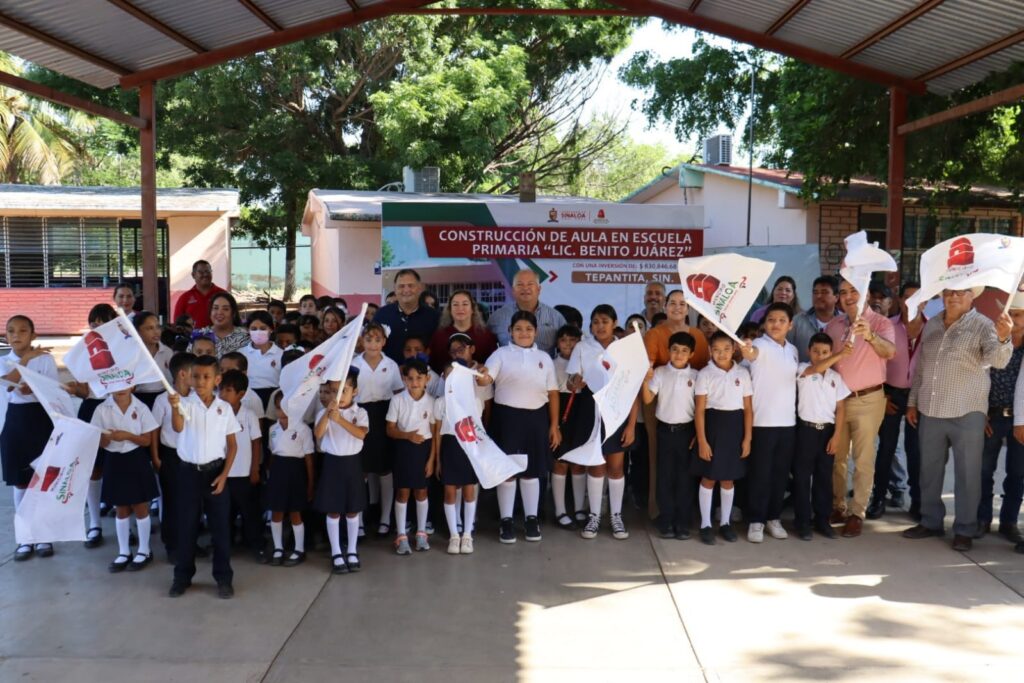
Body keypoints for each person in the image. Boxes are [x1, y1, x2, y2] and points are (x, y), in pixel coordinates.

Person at [904, 288, 1012, 552]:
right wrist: (912, 401)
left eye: (961, 293)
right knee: (929, 471)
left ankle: (964, 528)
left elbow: (998, 361)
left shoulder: (985, 325)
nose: (953, 297)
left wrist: (1003, 338)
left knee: (968, 474)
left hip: (967, 411)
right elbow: (922, 367)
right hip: (931, 409)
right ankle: (931, 521)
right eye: (949, 292)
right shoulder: (932, 325)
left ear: (971, 297)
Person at [480, 310, 560, 544]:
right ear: (509, 332)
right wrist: (481, 376)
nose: (523, 333)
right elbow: (487, 378)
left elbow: (553, 393)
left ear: (536, 332)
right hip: (507, 418)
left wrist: (554, 425)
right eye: (518, 329)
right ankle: (506, 520)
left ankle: (531, 519)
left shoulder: (544, 358)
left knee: (532, 472)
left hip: (537, 418)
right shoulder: (500, 354)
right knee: (508, 471)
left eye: (528, 329)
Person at [824, 278, 896, 538]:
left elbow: (889, 352)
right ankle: (838, 506)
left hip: (868, 399)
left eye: (853, 290)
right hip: (839, 400)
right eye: (842, 292)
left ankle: (857, 513)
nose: (848, 296)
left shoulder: (880, 322)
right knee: (837, 457)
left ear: (864, 293)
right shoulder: (834, 325)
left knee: (864, 459)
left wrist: (870, 335)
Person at [167, 355, 240, 599]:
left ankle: (223, 578)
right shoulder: (185, 404)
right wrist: (174, 406)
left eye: (206, 377)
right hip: (189, 473)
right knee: (186, 527)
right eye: (196, 376)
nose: (200, 381)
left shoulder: (224, 408)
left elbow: (232, 446)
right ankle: (182, 577)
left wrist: (224, 476)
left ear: (217, 379)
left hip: (215, 473)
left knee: (220, 529)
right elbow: (178, 427)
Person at [568, 305, 637, 541]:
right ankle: (594, 516)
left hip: (617, 410)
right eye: (595, 321)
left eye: (605, 321)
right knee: (595, 465)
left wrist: (631, 425)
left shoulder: (625, 350)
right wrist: (575, 382)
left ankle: (616, 516)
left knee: (616, 466)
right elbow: (571, 382)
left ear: (615, 323)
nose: (600, 326)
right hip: (589, 409)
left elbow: (633, 389)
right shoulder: (582, 346)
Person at [739, 302, 798, 543]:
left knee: (780, 475)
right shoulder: (758, 346)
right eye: (771, 320)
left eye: (781, 320)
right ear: (765, 323)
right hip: (761, 422)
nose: (776, 324)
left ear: (790, 325)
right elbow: (750, 356)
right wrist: (747, 351)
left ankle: (774, 518)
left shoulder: (793, 350)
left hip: (788, 423)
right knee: (760, 474)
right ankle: (756, 520)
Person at [1, 315, 58, 561]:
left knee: (42, 480)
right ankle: (25, 537)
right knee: (20, 481)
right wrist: (26, 360)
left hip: (40, 420)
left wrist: (32, 387)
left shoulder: (46, 359)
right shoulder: (4, 362)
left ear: (33, 335)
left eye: (23, 331)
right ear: (6, 336)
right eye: (11, 331)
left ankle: (44, 535)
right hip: (13, 423)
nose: (17, 335)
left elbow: (51, 389)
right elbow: (6, 384)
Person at [868, 282, 925, 520]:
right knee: (886, 450)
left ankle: (918, 502)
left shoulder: (933, 329)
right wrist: (884, 394)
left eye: (917, 298)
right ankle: (878, 498)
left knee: (916, 451)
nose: (911, 302)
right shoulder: (887, 327)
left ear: (925, 302)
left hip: (919, 398)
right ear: (900, 300)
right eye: (907, 297)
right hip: (891, 394)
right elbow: (877, 361)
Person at [434, 333, 492, 554]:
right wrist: (438, 460)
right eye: (450, 376)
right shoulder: (440, 403)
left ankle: (467, 535)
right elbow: (438, 433)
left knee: (469, 492)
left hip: (469, 449)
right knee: (450, 493)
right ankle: (454, 535)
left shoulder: (475, 402)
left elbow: (479, 433)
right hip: (449, 448)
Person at [90, 387, 159, 572]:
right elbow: (100, 442)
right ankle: (124, 552)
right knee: (120, 507)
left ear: (132, 386)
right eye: (115, 385)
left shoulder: (141, 407)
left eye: (125, 385)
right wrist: (106, 437)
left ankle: (144, 550)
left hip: (136, 458)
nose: (120, 389)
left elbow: (146, 440)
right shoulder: (101, 409)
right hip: (114, 460)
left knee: (140, 505)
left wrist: (126, 435)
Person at [693, 331, 753, 545]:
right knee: (709, 477)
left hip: (735, 428)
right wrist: (702, 440)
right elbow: (699, 410)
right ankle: (706, 524)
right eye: (716, 350)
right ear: (710, 351)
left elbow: (747, 409)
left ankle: (726, 523)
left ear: (734, 349)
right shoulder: (705, 374)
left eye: (726, 349)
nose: (722, 353)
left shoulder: (743, 374)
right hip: (713, 427)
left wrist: (747, 438)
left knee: (728, 478)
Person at [642, 331, 698, 539]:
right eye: (675, 350)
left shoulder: (697, 376)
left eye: (684, 351)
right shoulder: (660, 373)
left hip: (687, 432)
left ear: (691, 354)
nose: (679, 354)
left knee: (685, 478)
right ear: (668, 351)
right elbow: (648, 399)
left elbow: (702, 407)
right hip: (665, 431)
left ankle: (682, 522)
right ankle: (666, 520)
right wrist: (644, 380)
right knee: (664, 477)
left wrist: (698, 434)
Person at [794, 333, 850, 540]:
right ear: (809, 351)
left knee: (824, 477)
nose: (820, 355)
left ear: (830, 352)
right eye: (816, 351)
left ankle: (822, 519)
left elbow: (841, 408)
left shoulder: (836, 378)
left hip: (827, 431)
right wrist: (841, 355)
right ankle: (802, 521)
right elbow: (815, 368)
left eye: (825, 352)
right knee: (802, 477)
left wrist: (836, 436)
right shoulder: (803, 370)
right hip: (806, 430)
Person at [979, 291, 1024, 543]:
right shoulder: (992, 342)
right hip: (992, 416)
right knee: (985, 471)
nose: (1014, 319)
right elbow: (980, 377)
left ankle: (1009, 522)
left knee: (1017, 473)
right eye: (1011, 314)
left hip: (1020, 419)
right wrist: (981, 412)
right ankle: (983, 518)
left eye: (1019, 314)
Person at [315, 371, 369, 574]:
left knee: (353, 509)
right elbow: (318, 434)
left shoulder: (360, 413)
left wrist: (340, 420)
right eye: (333, 391)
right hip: (332, 463)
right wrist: (329, 416)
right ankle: (336, 551)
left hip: (352, 463)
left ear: (354, 392)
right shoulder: (324, 413)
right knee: (334, 509)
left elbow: (361, 434)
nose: (337, 396)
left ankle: (352, 549)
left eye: (343, 391)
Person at [353, 322, 403, 536]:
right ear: (361, 341)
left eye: (377, 339)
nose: (373, 344)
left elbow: (399, 392)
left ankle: (385, 518)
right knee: (361, 469)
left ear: (384, 341)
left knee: (384, 468)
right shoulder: (353, 364)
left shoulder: (391, 365)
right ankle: (361, 519)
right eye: (368, 339)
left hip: (384, 415)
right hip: (360, 415)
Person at [386, 358, 437, 555]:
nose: (415, 382)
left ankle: (421, 532)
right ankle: (401, 535)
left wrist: (432, 459)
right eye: (410, 378)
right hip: (403, 450)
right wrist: (408, 436)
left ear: (427, 379)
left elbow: (434, 432)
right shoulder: (397, 400)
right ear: (404, 380)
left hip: (423, 451)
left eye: (419, 378)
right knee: (403, 493)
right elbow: (390, 429)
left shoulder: (431, 402)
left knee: (422, 492)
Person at [263, 390, 315, 567]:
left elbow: (308, 459)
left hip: (296, 471)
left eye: (285, 407)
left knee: (295, 511)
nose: (281, 412)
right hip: (278, 470)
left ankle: (299, 549)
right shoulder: (273, 430)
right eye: (278, 408)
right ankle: (278, 547)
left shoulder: (303, 429)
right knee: (277, 511)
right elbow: (272, 454)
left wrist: (310, 484)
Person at [151, 352, 194, 562]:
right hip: (171, 455)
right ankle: (173, 545)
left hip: (193, 455)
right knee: (172, 502)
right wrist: (156, 457)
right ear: (183, 374)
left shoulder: (197, 397)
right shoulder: (162, 399)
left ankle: (189, 544)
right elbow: (154, 431)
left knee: (191, 502)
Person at [218, 370, 264, 559]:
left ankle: (256, 546)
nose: (222, 395)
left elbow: (256, 442)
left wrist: (255, 468)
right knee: (224, 514)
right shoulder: (217, 412)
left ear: (241, 394)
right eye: (221, 390)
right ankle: (223, 547)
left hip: (244, 473)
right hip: (223, 474)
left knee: (250, 513)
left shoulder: (249, 415)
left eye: (228, 390)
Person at [552, 324, 588, 528]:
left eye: (573, 340)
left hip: (580, 414)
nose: (568, 344)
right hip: (561, 413)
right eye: (564, 340)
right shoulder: (552, 364)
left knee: (578, 462)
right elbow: (554, 394)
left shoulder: (586, 363)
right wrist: (555, 425)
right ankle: (560, 510)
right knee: (560, 462)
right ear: (557, 343)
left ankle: (579, 508)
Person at [487, 269, 566, 353]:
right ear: (513, 290)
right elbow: (487, 348)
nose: (525, 288)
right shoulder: (497, 317)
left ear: (538, 289)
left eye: (530, 284)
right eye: (520, 284)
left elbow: (566, 350)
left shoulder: (556, 317)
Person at [374, 269, 441, 363]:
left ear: (419, 288)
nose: (406, 290)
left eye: (410, 285)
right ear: (395, 289)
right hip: (388, 375)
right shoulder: (382, 314)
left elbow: (438, 350)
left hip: (422, 375)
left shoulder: (433, 317)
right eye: (401, 286)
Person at [429, 289, 498, 372]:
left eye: (465, 304)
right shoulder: (439, 336)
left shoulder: (486, 336)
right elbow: (433, 365)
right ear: (450, 310)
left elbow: (493, 365)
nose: (460, 308)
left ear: (472, 309)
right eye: (455, 305)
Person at [239, 310, 282, 412]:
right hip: (248, 401)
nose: (258, 332)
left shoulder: (281, 354)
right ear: (247, 330)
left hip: (274, 402)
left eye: (263, 328)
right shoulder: (241, 354)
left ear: (271, 329)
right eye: (253, 329)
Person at [789, 276, 839, 362]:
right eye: (815, 292)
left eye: (824, 292)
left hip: (833, 375)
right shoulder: (797, 321)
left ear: (836, 297)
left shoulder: (844, 323)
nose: (818, 296)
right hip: (802, 374)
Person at [132, 311, 173, 409]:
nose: (156, 332)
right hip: (138, 399)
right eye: (149, 328)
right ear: (137, 331)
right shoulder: (132, 353)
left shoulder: (167, 352)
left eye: (158, 327)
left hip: (164, 398)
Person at [173, 260, 226, 329]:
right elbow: (177, 323)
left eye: (208, 271)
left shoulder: (223, 294)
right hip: (193, 339)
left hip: (220, 338)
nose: (205, 274)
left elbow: (232, 317)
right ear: (193, 275)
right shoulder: (184, 298)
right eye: (201, 272)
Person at [195, 292, 249, 358]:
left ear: (233, 313)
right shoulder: (199, 335)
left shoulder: (245, 336)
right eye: (215, 308)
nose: (219, 312)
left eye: (225, 309)